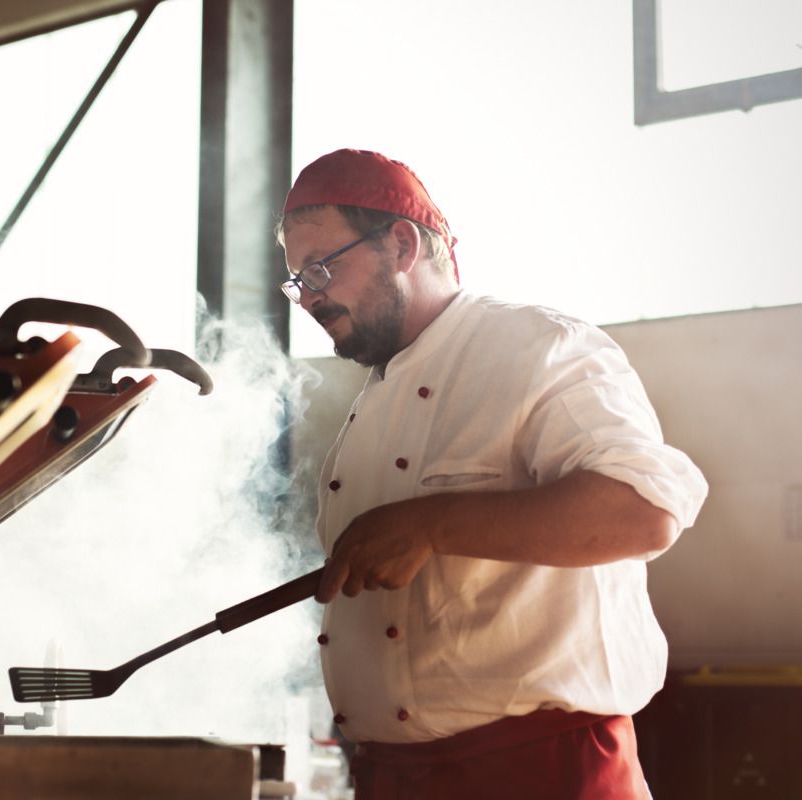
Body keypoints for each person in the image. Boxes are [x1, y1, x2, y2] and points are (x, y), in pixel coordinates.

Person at [277, 149, 707, 799]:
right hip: (394, 779)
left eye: (320, 268)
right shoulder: (372, 400)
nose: (308, 296)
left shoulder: (537, 345)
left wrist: (430, 524)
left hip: (541, 774)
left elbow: (642, 509)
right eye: (297, 281)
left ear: (400, 245)